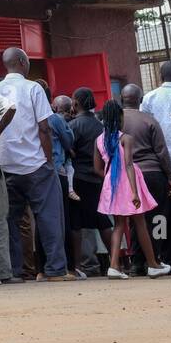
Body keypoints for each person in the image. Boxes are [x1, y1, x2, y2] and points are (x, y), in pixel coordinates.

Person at [0, 48, 70, 281]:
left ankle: (13, 271)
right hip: (35, 165)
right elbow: (44, 128)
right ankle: (55, 270)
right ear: (23, 62)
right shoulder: (33, 88)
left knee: (10, 221)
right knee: (49, 218)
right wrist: (48, 160)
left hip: (4, 165)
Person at [93, 99, 171, 278]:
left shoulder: (99, 140)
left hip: (111, 185)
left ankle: (113, 266)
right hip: (128, 183)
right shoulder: (126, 138)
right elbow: (129, 165)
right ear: (119, 118)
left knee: (119, 225)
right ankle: (152, 264)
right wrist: (134, 192)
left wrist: (109, 179)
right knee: (140, 222)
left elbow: (97, 168)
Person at [120, 84, 171, 275]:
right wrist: (169, 176)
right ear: (140, 99)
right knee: (159, 217)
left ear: (122, 98)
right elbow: (161, 151)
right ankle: (156, 259)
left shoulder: (115, 121)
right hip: (152, 173)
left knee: (136, 219)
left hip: (128, 176)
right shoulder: (149, 120)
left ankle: (136, 262)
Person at [142, 61, 171, 269]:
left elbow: (146, 129)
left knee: (161, 215)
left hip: (160, 166)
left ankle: (163, 257)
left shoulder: (149, 97)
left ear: (160, 76)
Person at [67, 87, 114, 275]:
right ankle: (117, 262)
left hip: (79, 179)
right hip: (98, 178)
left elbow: (68, 149)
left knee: (76, 224)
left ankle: (77, 267)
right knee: (103, 221)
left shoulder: (74, 126)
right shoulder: (100, 126)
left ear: (76, 103)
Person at [49, 94, 84, 276]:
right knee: (64, 219)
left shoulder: (44, 118)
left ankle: (45, 268)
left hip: (42, 170)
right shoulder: (59, 121)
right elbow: (69, 143)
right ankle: (68, 267)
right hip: (59, 170)